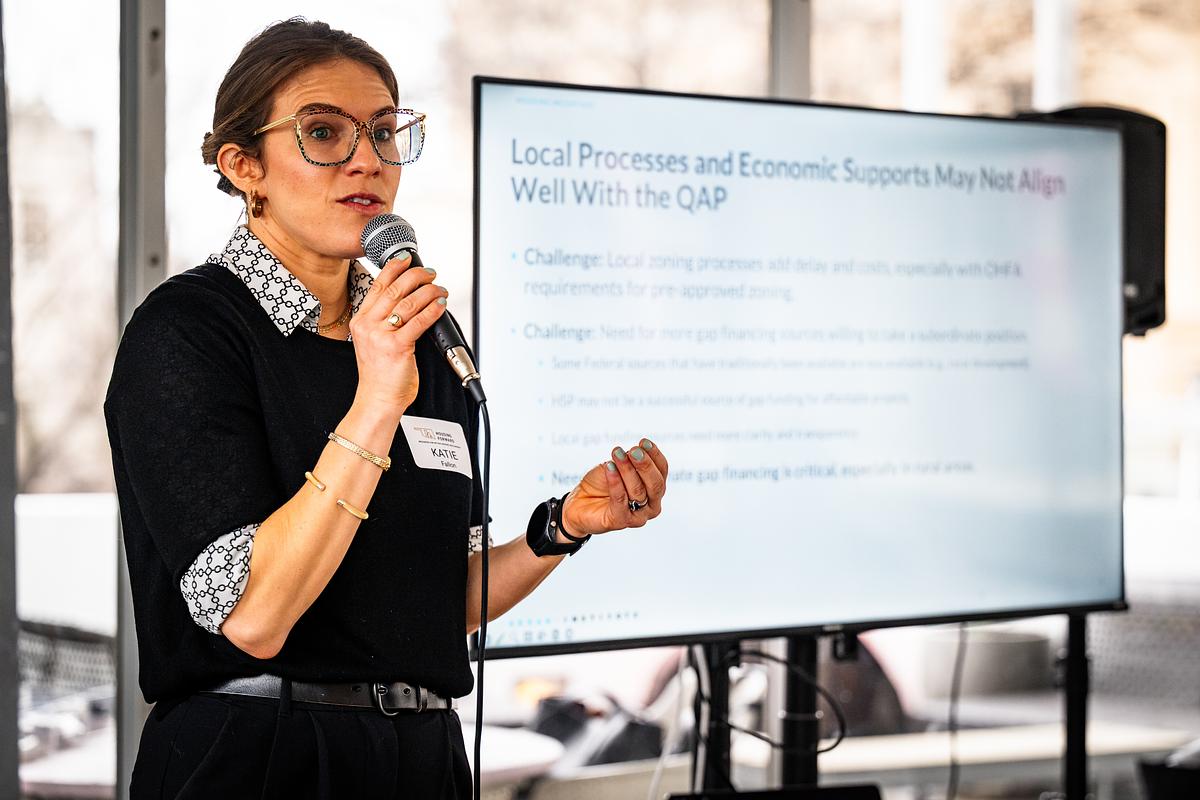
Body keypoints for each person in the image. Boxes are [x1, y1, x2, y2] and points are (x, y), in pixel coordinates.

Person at [103, 18, 669, 799]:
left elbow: (444, 599)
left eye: (383, 131)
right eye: (323, 132)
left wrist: (561, 525)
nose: (366, 158)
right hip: (258, 757)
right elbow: (255, 616)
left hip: (423, 757)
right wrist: (374, 400)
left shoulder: (418, 339)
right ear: (245, 167)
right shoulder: (190, 332)